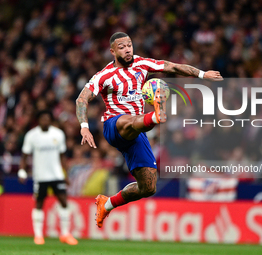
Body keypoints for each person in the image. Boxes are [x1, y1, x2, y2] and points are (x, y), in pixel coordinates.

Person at [75, 32, 223, 228]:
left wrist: (202, 74)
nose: (127, 49)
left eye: (129, 44)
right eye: (122, 47)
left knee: (148, 186)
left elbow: (172, 67)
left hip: (137, 132)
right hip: (114, 125)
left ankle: (107, 203)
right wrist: (84, 127)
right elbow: (82, 99)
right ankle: (154, 116)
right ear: (112, 51)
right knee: (130, 121)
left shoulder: (142, 64)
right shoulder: (104, 76)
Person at [18, 110, 78, 245]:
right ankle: (38, 235)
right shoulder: (32, 136)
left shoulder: (58, 134)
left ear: (50, 120)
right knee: (39, 203)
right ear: (38, 120)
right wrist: (22, 171)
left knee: (63, 201)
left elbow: (62, 156)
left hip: (56, 174)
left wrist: (65, 174)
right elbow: (24, 155)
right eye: (42, 119)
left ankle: (65, 234)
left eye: (47, 119)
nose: (45, 121)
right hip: (40, 176)